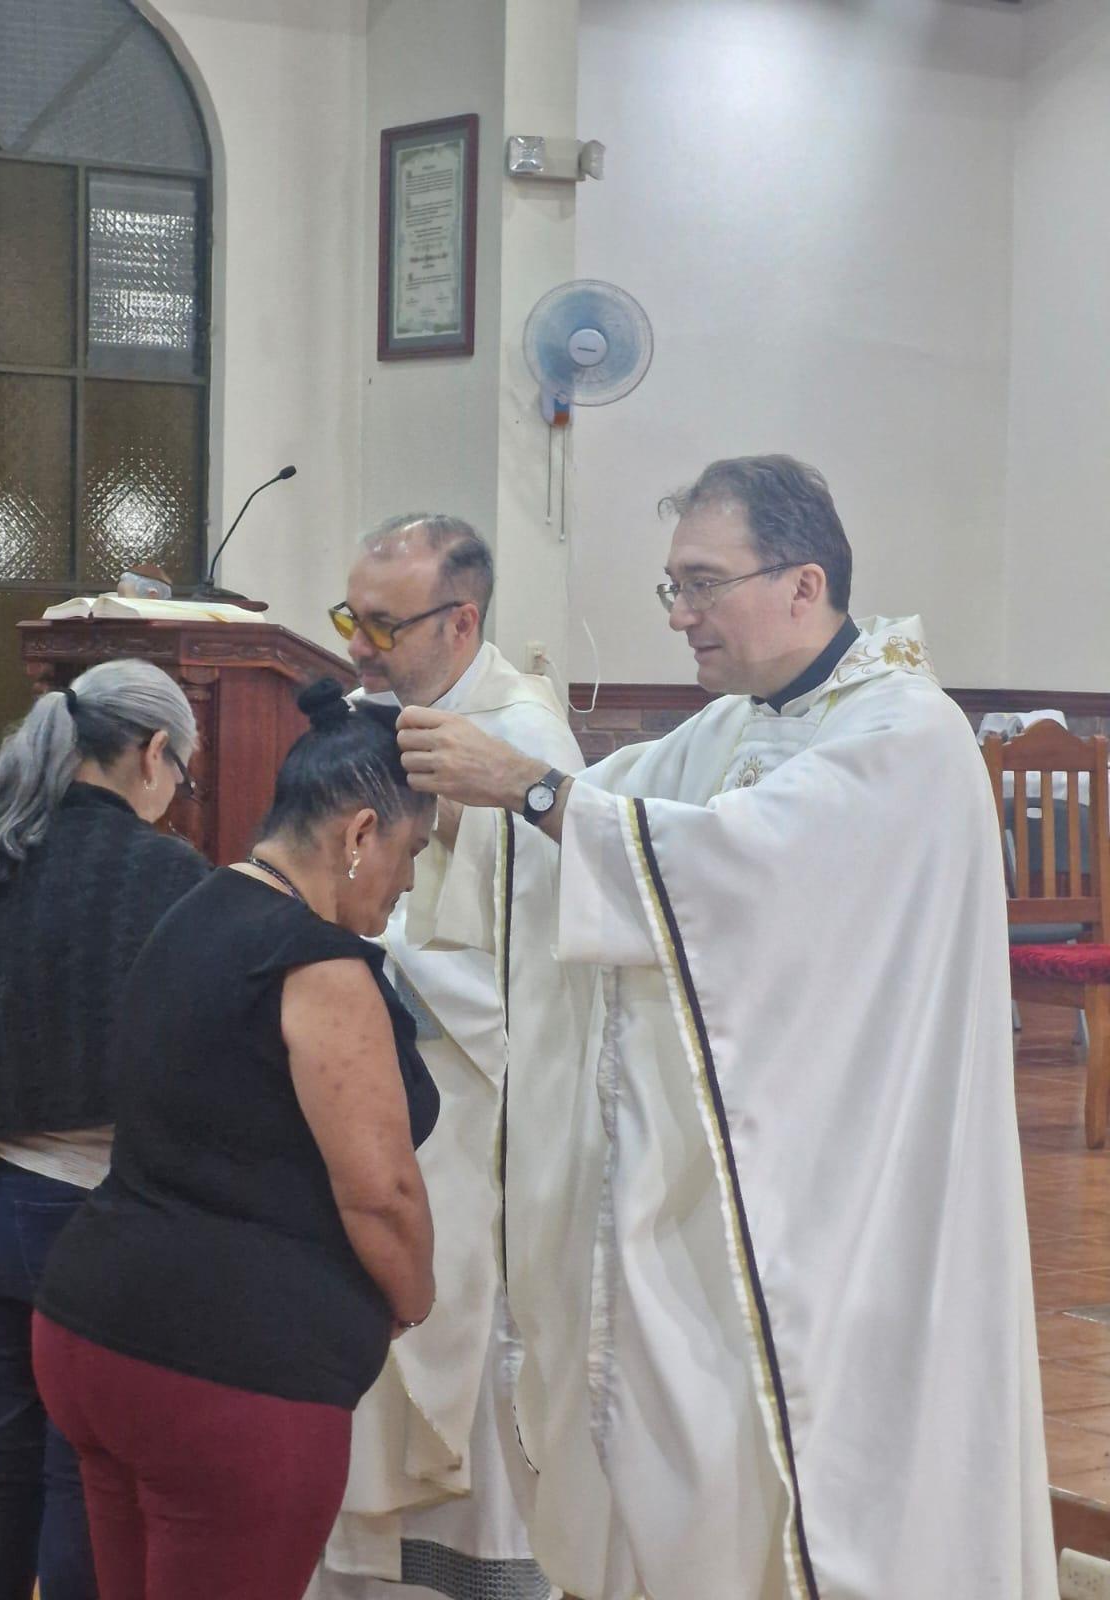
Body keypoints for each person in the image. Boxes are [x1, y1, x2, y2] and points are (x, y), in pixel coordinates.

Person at [396, 456, 1057, 1600]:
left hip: (855, 1198)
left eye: (702, 583)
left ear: (805, 584)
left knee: (840, 1462)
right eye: (671, 587)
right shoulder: (743, 723)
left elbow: (727, 866)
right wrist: (488, 795)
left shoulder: (904, 734)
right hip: (766, 1177)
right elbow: (616, 812)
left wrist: (534, 793)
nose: (681, 615)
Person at [32, 678, 439, 1600]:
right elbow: (381, 1193)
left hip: (95, 1327)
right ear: (361, 833)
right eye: (412, 850)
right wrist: (414, 1301)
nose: (409, 879)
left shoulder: (198, 907)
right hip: (226, 1373)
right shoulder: (320, 964)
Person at [314, 514, 584, 1600]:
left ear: (461, 618)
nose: (357, 647)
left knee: (461, 1364)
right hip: (388, 1100)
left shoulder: (521, 745)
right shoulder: (386, 716)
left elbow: (541, 980)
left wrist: (355, 961)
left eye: (380, 624)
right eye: (350, 617)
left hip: (479, 1128)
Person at [0, 658, 209, 1600]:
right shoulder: (162, 874)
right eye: (183, 774)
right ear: (154, 752)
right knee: (84, 1472)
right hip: (79, 1211)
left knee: (1, 1458)